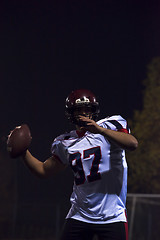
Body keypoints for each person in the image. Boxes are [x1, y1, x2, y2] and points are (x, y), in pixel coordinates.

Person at [21, 89, 138, 240]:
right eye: (79, 110)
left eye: (87, 109)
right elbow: (44, 170)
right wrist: (23, 152)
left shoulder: (110, 125)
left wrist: (100, 130)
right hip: (79, 215)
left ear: (94, 111)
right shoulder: (65, 142)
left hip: (112, 216)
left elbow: (132, 144)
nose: (83, 113)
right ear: (71, 113)